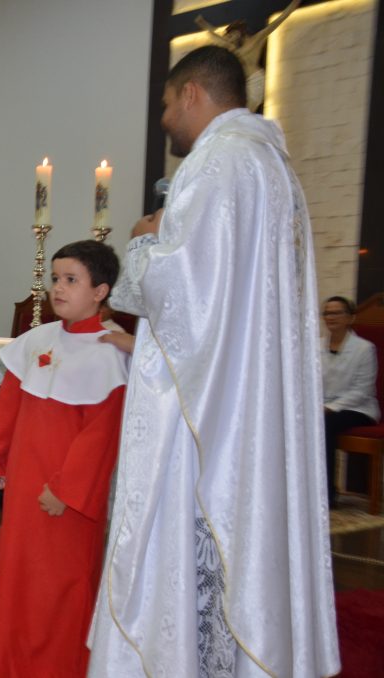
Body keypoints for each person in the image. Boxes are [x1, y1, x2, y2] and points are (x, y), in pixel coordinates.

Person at [87, 46, 339, 677]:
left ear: (194, 93)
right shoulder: (274, 171)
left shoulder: (217, 165)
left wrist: (144, 243)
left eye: (169, 104)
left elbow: (180, 293)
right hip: (245, 399)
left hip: (203, 417)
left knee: (184, 552)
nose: (167, 119)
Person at [0, 241, 127, 677]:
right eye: (55, 279)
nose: (57, 288)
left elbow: (101, 437)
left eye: (71, 280)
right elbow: (10, 407)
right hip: (24, 484)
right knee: (14, 576)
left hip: (65, 499)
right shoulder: (36, 340)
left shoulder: (109, 352)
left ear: (100, 291)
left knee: (59, 585)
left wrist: (67, 491)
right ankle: (4, 662)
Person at [322, 296, 380, 507]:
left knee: (324, 426)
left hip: (357, 408)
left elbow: (362, 391)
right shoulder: (316, 347)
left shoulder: (365, 349)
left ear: (350, 318)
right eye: (327, 313)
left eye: (337, 312)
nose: (331, 317)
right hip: (324, 407)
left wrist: (329, 408)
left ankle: (327, 496)